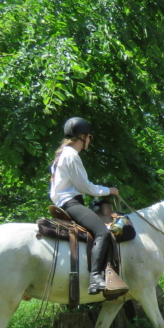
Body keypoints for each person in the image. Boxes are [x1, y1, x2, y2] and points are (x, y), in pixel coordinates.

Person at [49, 117, 120, 294]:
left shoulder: (64, 154)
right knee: (102, 232)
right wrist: (109, 190)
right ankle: (95, 277)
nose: (89, 140)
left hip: (63, 202)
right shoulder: (72, 156)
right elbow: (85, 187)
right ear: (83, 137)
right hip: (70, 203)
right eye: (89, 137)